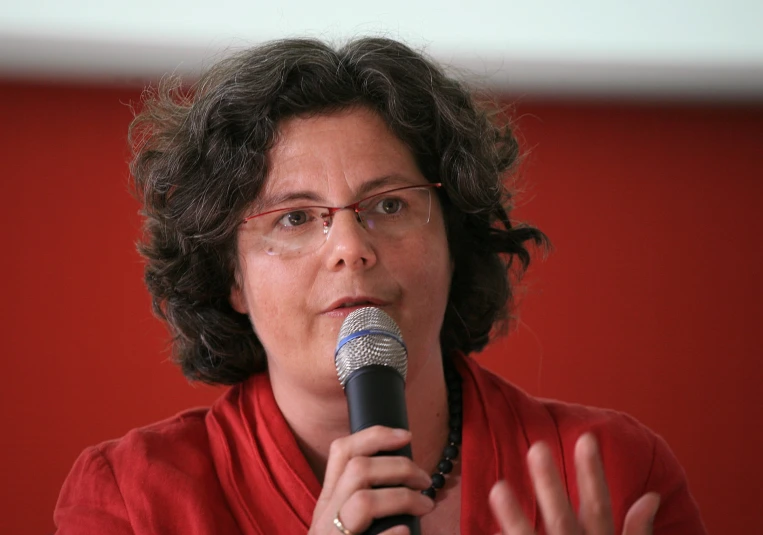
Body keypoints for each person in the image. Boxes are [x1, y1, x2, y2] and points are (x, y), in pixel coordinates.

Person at [54, 37, 707, 534]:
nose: (350, 248)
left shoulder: (613, 472)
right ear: (232, 277)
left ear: (455, 239)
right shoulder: (129, 499)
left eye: (389, 205)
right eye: (295, 217)